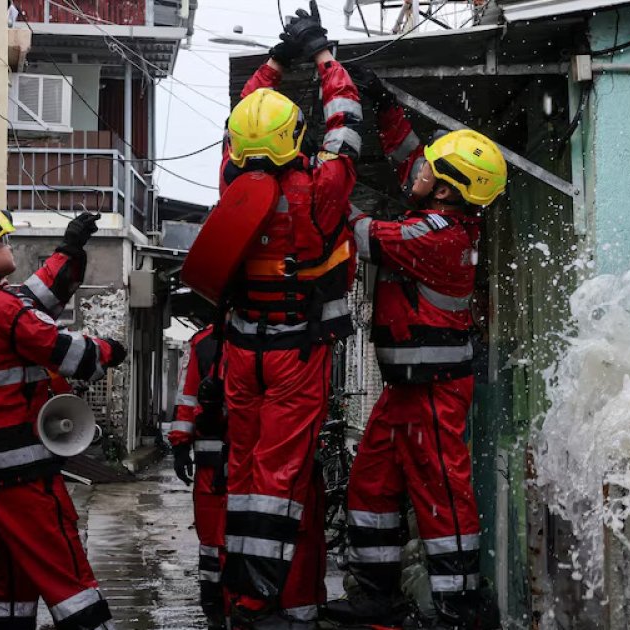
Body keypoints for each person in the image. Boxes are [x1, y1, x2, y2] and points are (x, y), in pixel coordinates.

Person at [322, 66, 508, 629]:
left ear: (445, 188)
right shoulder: (439, 213)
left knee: (442, 495)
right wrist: (385, 108)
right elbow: (412, 160)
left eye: (431, 168)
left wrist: (324, 175)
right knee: (371, 485)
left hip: (433, 392)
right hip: (406, 390)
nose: (418, 167)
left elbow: (357, 229)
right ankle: (378, 597)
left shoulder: (434, 235)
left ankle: (459, 608)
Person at [217, 3, 362, 627]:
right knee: (280, 478)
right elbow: (345, 120)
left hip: (241, 349)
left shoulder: (230, 181)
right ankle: (258, 601)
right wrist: (322, 54)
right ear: (293, 139)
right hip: (296, 352)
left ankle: (270, 598)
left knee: (249, 471)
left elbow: (243, 112)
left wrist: (275, 60)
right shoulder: (320, 188)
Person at [0, 198, 126, 630]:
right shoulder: (3, 309)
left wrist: (70, 248)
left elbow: (33, 296)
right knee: (65, 572)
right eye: (1, 240)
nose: (8, 245)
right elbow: (71, 355)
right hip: (18, 475)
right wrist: (110, 349)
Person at [169, 323, 229, 629]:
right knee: (213, 537)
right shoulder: (205, 342)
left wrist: (182, 444)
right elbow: (188, 396)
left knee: (221, 536)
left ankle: (221, 603)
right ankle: (217, 604)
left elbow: (187, 396)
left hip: (222, 460)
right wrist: (180, 445)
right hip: (220, 461)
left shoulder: (205, 342)